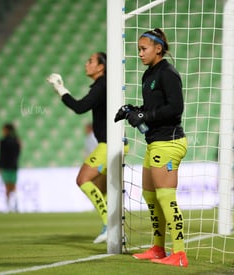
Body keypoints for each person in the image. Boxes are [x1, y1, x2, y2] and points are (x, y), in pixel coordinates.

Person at [115, 28, 188, 267]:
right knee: (149, 194)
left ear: (158, 48)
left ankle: (179, 254)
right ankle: (158, 248)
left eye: (143, 48)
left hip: (169, 142)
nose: (140, 53)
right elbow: (152, 109)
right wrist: (133, 110)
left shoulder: (168, 73)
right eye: (138, 49)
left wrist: (145, 113)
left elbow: (175, 108)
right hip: (155, 142)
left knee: (166, 197)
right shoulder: (149, 75)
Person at [47, 52, 109, 244]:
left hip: (109, 144)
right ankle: (114, 226)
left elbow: (80, 107)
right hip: (112, 143)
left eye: (90, 61)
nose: (86, 64)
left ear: (101, 67)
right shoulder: (104, 85)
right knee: (101, 188)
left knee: (83, 180)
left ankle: (111, 224)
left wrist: (61, 89)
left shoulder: (102, 85)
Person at [0, 123, 21, 212]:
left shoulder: (4, 142)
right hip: (12, 166)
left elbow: (1, 155)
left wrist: (0, 166)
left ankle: (12, 206)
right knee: (11, 187)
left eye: (4, 130)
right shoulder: (15, 141)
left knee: (9, 187)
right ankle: (12, 206)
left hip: (8, 166)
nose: (3, 132)